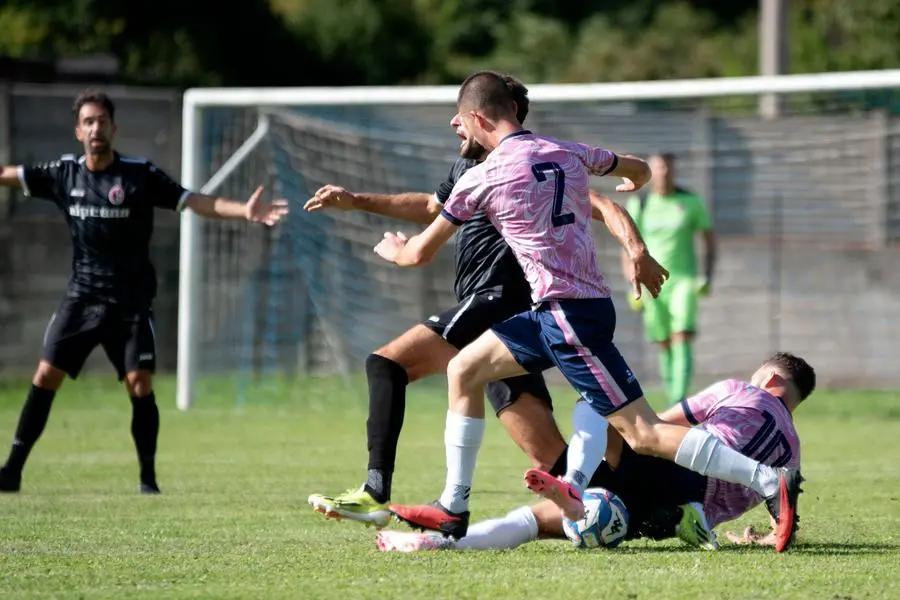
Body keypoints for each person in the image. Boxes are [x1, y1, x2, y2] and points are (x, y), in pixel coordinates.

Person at [374, 70, 802, 552]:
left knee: (643, 433)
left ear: (476, 118)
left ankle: (768, 480)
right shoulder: (566, 150)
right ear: (513, 110)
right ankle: (454, 505)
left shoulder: (483, 176)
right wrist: (632, 184)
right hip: (568, 311)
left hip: (566, 315)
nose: (460, 131)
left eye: (462, 123)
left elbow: (417, 254)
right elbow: (636, 168)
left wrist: (393, 249)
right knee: (465, 367)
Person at [305, 73, 668, 527]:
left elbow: (605, 206)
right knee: (550, 450)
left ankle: (384, 494)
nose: (454, 125)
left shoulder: (532, 164)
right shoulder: (469, 170)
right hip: (518, 320)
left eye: (462, 117)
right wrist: (357, 200)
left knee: (387, 363)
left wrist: (636, 250)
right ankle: (657, 511)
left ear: (489, 116)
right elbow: (430, 207)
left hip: (500, 302)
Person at [0, 90, 289, 494]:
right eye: (88, 121)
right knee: (46, 375)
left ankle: (147, 480)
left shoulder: (138, 175)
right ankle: (11, 470)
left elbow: (193, 200)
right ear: (77, 130)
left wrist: (243, 210)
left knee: (140, 383)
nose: (95, 128)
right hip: (81, 299)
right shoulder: (64, 174)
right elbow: (10, 175)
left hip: (130, 303)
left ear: (113, 128)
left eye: (102, 120)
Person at [380, 352, 814, 554]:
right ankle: (432, 545)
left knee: (598, 407)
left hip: (674, 475)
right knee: (542, 518)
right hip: (664, 513)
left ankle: (573, 484)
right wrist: (763, 535)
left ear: (772, 380)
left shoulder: (740, 391)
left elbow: (651, 425)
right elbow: (785, 518)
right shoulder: (792, 456)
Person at [623, 152, 717, 405]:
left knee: (682, 335)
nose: (664, 172)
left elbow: (708, 239)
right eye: (658, 168)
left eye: (668, 167)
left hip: (683, 281)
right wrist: (632, 283)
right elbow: (629, 246)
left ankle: (679, 398)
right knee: (663, 341)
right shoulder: (640, 204)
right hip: (652, 282)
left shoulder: (690, 201)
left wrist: (706, 275)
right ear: (650, 172)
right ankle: (671, 394)